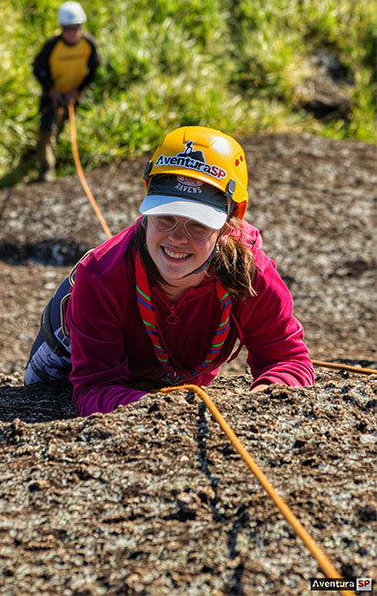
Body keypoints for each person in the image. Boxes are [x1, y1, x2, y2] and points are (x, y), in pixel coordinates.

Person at [25, 126, 315, 415]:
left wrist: (262, 402)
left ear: (229, 224)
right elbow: (96, 387)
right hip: (64, 360)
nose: (177, 239)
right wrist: (164, 411)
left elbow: (288, 360)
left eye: (198, 224)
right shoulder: (101, 276)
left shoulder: (254, 275)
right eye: (165, 218)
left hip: (169, 380)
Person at [32, 1, 100, 181]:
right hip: (53, 92)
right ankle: (46, 167)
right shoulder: (52, 46)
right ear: (62, 28)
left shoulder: (89, 45)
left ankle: (58, 147)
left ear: (81, 26)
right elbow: (37, 69)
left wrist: (79, 90)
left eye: (75, 28)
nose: (72, 33)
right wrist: (50, 89)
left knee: (64, 123)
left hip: (73, 93)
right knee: (46, 126)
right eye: (67, 29)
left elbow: (93, 69)